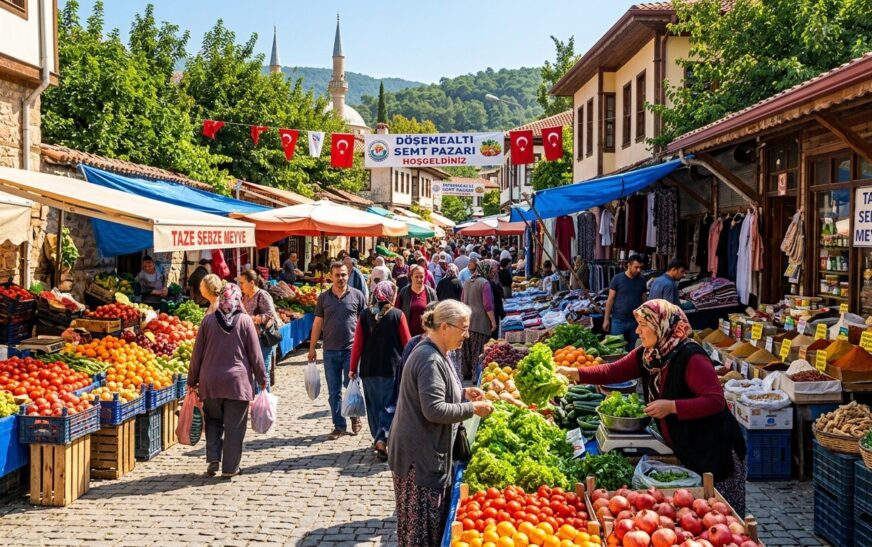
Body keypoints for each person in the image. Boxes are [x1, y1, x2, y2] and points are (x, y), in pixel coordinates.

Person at [556, 300, 747, 515]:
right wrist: (575, 374)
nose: (637, 331)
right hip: (688, 447)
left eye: (642, 325)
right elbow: (613, 371)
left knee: (721, 516)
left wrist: (672, 406)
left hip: (715, 450)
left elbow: (715, 401)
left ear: (661, 325)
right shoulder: (650, 355)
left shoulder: (691, 358)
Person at [388, 301, 494, 546]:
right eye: (464, 329)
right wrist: (472, 409)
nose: (467, 336)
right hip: (419, 457)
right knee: (420, 531)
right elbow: (434, 410)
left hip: (420, 450)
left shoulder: (437, 352)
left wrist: (463, 394)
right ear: (445, 327)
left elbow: (436, 393)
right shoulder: (429, 359)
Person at [187, 283, 267, 478]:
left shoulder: (207, 322)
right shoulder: (246, 321)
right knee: (235, 426)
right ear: (238, 300)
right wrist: (263, 379)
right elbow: (255, 355)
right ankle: (230, 468)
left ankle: (214, 459)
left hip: (210, 382)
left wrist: (191, 381)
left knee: (213, 421)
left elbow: (196, 355)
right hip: (237, 384)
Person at [349, 281, 411, 460]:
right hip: (391, 369)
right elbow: (407, 343)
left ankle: (378, 437)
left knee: (374, 406)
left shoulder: (364, 315)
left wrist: (353, 367)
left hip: (369, 369)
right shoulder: (397, 315)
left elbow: (357, 345)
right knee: (389, 406)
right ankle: (382, 439)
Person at [309, 262, 368, 439]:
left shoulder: (357, 296)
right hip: (330, 351)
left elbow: (364, 322)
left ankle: (355, 415)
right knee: (334, 391)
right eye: (337, 275)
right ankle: (339, 425)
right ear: (331, 276)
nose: (341, 278)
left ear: (348, 275)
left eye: (343, 274)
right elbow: (318, 323)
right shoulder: (324, 298)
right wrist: (312, 348)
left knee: (351, 385)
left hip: (351, 350)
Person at [239, 270, 281, 392]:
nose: (240, 286)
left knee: (262, 372)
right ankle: (256, 402)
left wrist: (254, 319)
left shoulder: (262, 295)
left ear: (251, 282)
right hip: (249, 340)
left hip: (262, 340)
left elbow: (271, 314)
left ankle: (264, 403)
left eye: (242, 283)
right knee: (252, 371)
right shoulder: (245, 297)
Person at [460, 259, 497, 380]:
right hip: (480, 322)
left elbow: (462, 301)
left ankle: (466, 373)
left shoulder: (466, 282)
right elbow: (488, 305)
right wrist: (493, 321)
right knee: (478, 350)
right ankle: (476, 375)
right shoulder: (484, 283)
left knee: (467, 350)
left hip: (467, 321)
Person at [603, 254, 647, 351]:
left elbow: (644, 300)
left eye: (640, 267)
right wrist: (606, 319)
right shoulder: (617, 279)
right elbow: (610, 300)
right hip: (618, 321)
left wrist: (645, 319)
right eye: (636, 267)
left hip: (635, 321)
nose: (638, 270)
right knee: (616, 350)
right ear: (629, 265)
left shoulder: (642, 281)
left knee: (633, 350)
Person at [395, 265, 438, 337]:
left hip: (426, 336)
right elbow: (397, 312)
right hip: (407, 335)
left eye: (421, 277)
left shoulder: (431, 293)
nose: (419, 279)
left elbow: (437, 313)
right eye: (416, 276)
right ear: (411, 277)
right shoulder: (404, 292)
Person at [480, 260, 504, 339]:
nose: (494, 271)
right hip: (490, 317)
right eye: (491, 270)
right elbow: (491, 303)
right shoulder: (488, 284)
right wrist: (501, 314)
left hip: (476, 320)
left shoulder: (470, 282)